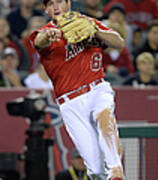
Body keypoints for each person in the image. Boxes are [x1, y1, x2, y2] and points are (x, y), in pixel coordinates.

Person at [29, 0, 125, 180]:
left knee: (103, 114)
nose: (55, 7)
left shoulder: (88, 22)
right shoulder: (46, 32)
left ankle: (116, 169)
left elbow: (119, 42)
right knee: (95, 169)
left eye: (59, 2)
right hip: (70, 103)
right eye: (50, 4)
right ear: (45, 9)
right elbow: (38, 42)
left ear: (68, 3)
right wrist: (48, 34)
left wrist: (96, 31)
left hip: (96, 88)